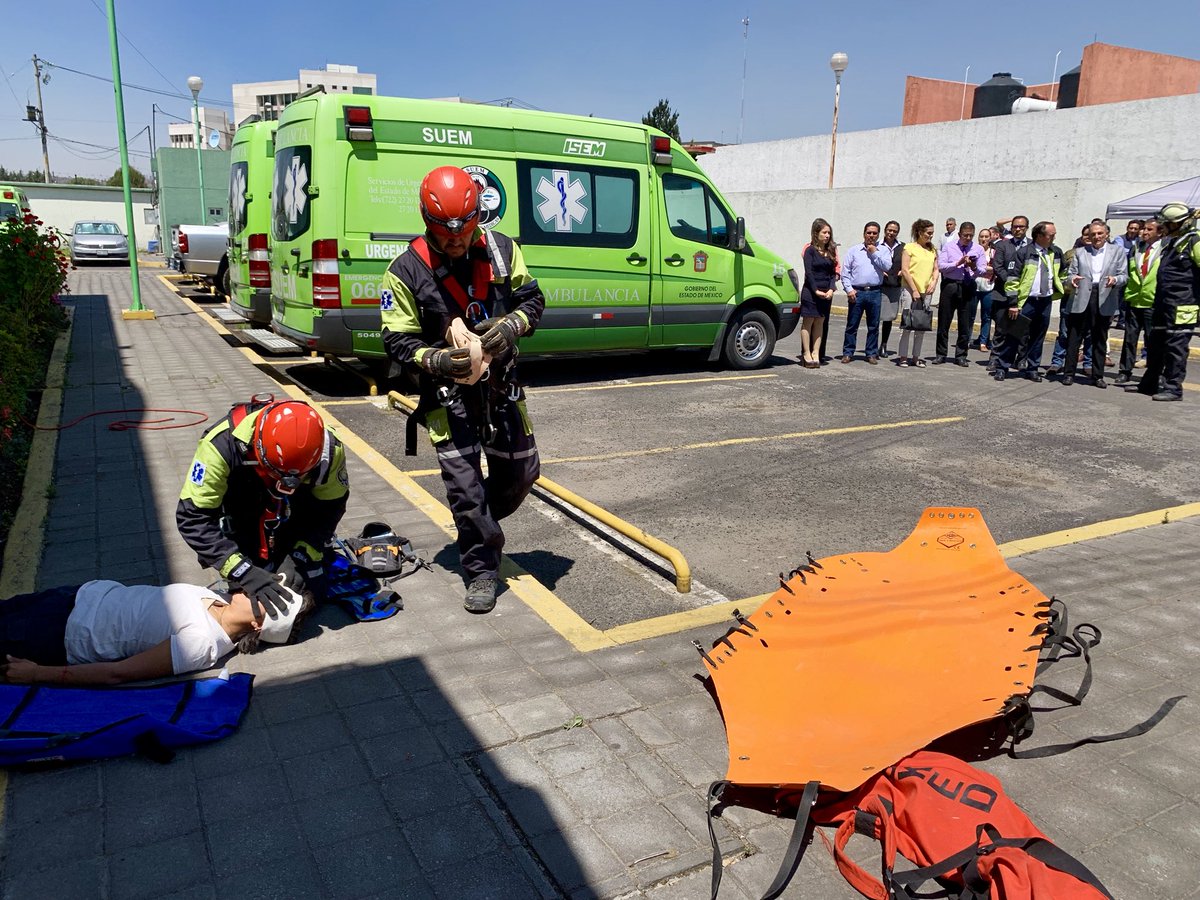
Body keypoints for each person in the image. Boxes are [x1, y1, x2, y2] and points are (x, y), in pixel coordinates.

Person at [381, 166, 545, 612]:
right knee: (466, 491)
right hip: (446, 397)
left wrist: (511, 326)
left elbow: (533, 300)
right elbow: (395, 339)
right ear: (426, 219)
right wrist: (433, 359)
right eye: (444, 233)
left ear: (477, 218)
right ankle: (481, 569)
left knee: (521, 474)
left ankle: (473, 525)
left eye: (464, 230)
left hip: (502, 387)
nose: (455, 241)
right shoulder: (405, 270)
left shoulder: (502, 250)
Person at [178, 399, 349, 620]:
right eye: (278, 473)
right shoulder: (220, 446)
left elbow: (331, 507)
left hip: (298, 512)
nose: (286, 484)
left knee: (306, 595)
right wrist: (243, 572)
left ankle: (292, 550)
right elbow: (193, 519)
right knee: (252, 607)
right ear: (258, 446)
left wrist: (303, 554)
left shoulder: (330, 448)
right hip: (243, 508)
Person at [0, 578, 312, 686]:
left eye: (267, 600)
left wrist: (37, 674)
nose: (260, 590)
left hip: (62, 632)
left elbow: (118, 674)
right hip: (76, 596)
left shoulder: (201, 643)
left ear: (258, 625)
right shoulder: (220, 596)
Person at [1134, 202, 1200, 401]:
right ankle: (1150, 383)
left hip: (1183, 305)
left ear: (1178, 224)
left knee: (1175, 348)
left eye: (1166, 224)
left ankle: (1173, 388)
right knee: (1156, 344)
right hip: (1164, 304)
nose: (1162, 227)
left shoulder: (1194, 241)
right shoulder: (1174, 241)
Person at [1062, 222, 1128, 387]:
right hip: (1082, 296)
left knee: (1099, 339)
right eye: (1093, 234)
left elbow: (1124, 276)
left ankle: (1097, 376)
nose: (1096, 237)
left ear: (1106, 234)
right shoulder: (1080, 252)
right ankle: (1069, 373)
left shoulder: (1117, 251)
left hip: (1104, 296)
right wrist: (1072, 279)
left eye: (1100, 233)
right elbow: (1070, 275)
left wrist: (1115, 280)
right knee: (1074, 338)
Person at [996, 221, 1063, 382]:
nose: (1054, 237)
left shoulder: (1055, 252)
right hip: (1026, 301)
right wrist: (1013, 303)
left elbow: (1063, 271)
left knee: (1038, 337)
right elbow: (1012, 279)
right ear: (1039, 236)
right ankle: (1002, 367)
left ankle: (1032, 368)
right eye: (1051, 235)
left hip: (1044, 301)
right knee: (1014, 335)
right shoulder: (1024, 252)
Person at [838, 222, 892, 364]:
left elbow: (887, 266)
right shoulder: (854, 251)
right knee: (852, 325)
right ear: (864, 234)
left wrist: (874, 252)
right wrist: (849, 289)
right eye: (869, 233)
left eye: (874, 233)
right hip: (857, 292)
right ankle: (848, 352)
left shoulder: (884, 251)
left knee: (873, 326)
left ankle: (871, 353)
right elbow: (845, 273)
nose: (871, 236)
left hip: (875, 292)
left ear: (878, 235)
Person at [1116, 218, 1162, 385]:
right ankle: (1125, 370)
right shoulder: (1136, 248)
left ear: (1159, 232)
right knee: (1130, 338)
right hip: (1134, 298)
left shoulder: (1164, 249)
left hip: (1153, 300)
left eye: (1149, 229)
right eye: (1144, 229)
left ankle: (1154, 373)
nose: (1144, 232)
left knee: (1153, 340)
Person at [934, 221, 986, 367]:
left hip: (968, 286)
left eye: (971, 235)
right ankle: (941, 354)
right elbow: (941, 266)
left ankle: (961, 355)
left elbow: (983, 270)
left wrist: (973, 266)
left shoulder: (978, 249)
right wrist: (957, 263)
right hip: (950, 285)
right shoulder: (949, 247)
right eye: (965, 235)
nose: (968, 238)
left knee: (965, 323)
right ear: (959, 234)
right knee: (944, 321)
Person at [988, 216, 1030, 375]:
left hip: (1023, 296)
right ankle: (995, 358)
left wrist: (1020, 286)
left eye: (1021, 226)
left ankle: (1021, 359)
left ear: (1026, 228)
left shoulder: (1032, 246)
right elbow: (997, 266)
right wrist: (1012, 281)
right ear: (1011, 228)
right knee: (1001, 328)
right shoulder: (1003, 245)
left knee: (1022, 330)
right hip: (1002, 293)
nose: (1018, 229)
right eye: (1015, 226)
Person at [896, 219, 939, 368]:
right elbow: (905, 270)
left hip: (926, 291)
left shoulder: (932, 249)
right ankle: (903, 356)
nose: (931, 236)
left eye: (932, 233)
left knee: (921, 325)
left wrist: (934, 282)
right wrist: (914, 289)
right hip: (910, 290)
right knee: (907, 323)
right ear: (920, 232)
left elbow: (936, 269)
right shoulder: (909, 248)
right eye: (928, 233)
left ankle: (916, 357)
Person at [799, 218, 837, 368]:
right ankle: (806, 353)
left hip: (826, 293)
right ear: (816, 233)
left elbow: (832, 273)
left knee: (820, 322)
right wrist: (816, 290)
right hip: (811, 292)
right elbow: (809, 273)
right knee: (808, 322)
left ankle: (816, 353)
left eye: (829, 233)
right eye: (824, 232)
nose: (827, 235)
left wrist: (831, 289)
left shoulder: (830, 251)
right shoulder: (810, 250)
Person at [879, 220, 904, 358]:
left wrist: (903, 271)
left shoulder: (903, 247)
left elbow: (908, 263)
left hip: (894, 285)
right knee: (875, 317)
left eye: (894, 231)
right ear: (885, 230)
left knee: (888, 318)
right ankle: (871, 346)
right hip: (880, 285)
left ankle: (883, 345)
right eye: (889, 230)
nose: (891, 233)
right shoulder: (878, 245)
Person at [970, 227, 996, 351]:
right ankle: (966, 340)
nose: (983, 239)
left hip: (988, 287)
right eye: (981, 236)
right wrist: (985, 268)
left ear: (990, 238)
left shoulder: (994, 252)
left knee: (986, 316)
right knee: (970, 315)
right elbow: (969, 267)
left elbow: (996, 268)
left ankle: (983, 342)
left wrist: (979, 268)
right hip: (974, 286)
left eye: (986, 236)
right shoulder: (973, 251)